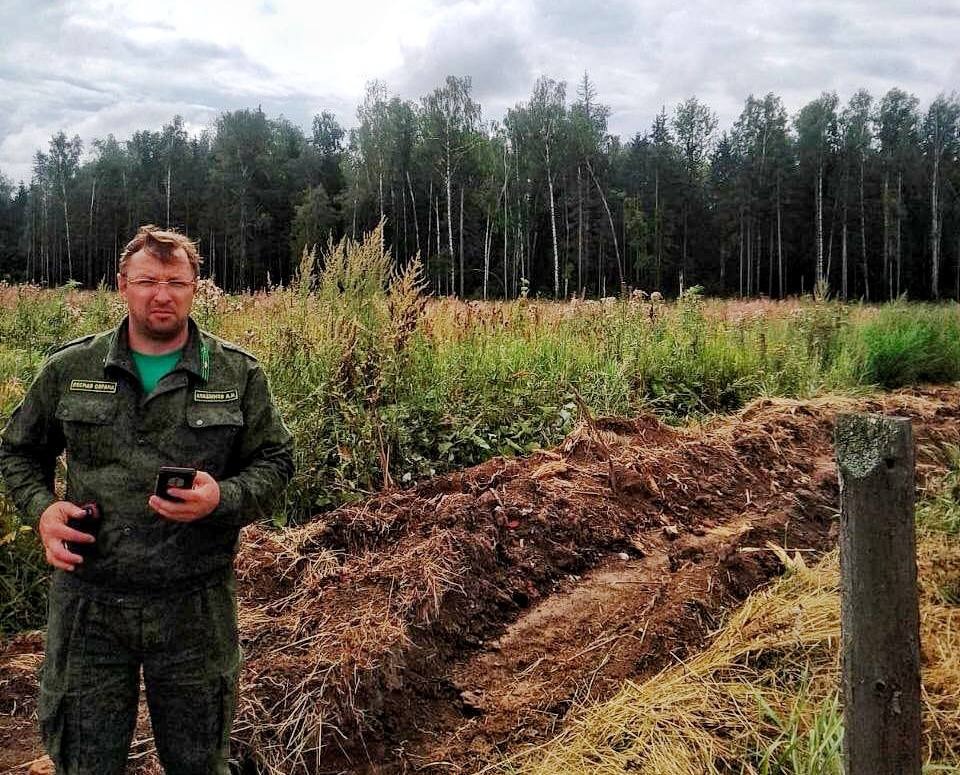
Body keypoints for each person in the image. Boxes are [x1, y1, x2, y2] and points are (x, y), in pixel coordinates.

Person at [0, 225, 294, 774]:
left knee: (200, 761)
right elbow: (17, 452)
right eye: (147, 281)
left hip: (194, 607)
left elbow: (276, 464)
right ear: (122, 286)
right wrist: (42, 511)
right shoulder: (72, 369)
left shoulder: (237, 373)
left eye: (176, 281)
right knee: (85, 762)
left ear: (195, 287)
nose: (162, 294)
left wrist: (222, 498)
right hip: (91, 605)